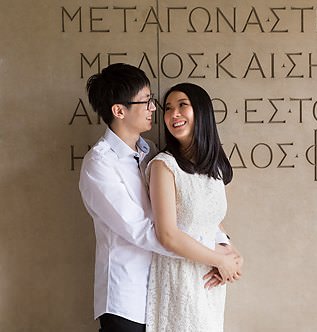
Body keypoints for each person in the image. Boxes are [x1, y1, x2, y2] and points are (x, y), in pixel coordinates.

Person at [78, 64, 239, 332]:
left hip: (166, 290)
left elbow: (190, 211)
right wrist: (212, 256)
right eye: (146, 101)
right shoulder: (100, 164)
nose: (154, 108)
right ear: (119, 111)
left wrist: (224, 245)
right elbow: (143, 231)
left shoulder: (149, 151)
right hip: (127, 299)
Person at [145, 83, 242, 331]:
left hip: (209, 280)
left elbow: (211, 220)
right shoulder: (163, 166)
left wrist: (231, 253)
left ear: (201, 112)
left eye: (182, 106)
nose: (173, 114)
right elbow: (167, 235)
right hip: (179, 277)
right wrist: (220, 260)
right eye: (168, 108)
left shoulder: (216, 167)